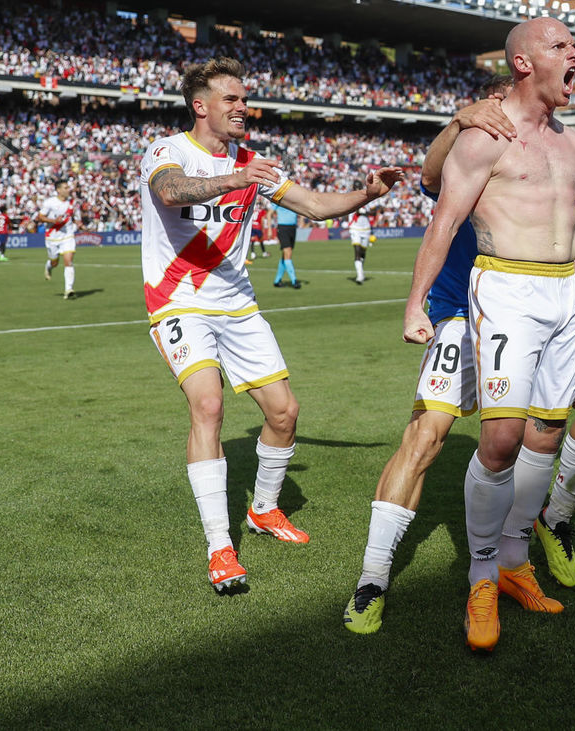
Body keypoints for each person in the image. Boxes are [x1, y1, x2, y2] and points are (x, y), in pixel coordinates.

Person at [344, 78, 575, 636]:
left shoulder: (554, 148)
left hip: (542, 311)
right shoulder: (475, 143)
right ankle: (373, 576)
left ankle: (533, 539)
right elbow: (428, 180)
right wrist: (459, 120)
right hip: (459, 313)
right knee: (426, 437)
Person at [139, 56, 402, 592]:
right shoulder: (167, 150)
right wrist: (237, 178)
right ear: (201, 106)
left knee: (284, 413)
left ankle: (263, 509)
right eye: (231, 99)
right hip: (179, 302)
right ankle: (219, 548)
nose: (242, 107)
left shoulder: (255, 161)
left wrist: (367, 194)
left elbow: (315, 206)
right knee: (208, 404)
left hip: (238, 305)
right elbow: (170, 191)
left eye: (243, 98)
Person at [401, 18, 575, 652]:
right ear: (522, 62)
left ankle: (512, 562)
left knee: (547, 434)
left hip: (562, 294)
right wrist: (416, 302)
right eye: (561, 45)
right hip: (502, 288)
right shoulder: (484, 136)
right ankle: (481, 576)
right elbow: (442, 216)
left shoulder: (569, 142)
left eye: (573, 44)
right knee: (502, 437)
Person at [37, 181, 78, 299]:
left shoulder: (71, 202)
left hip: (68, 236)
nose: (68, 189)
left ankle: (68, 289)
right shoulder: (50, 203)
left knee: (68, 261)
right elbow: (40, 217)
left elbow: (71, 216)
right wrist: (53, 221)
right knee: (55, 262)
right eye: (65, 188)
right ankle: (49, 266)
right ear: (58, 190)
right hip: (52, 237)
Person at [345, 183, 372, 284]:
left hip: (366, 229)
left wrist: (365, 212)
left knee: (363, 253)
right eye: (355, 187)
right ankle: (359, 276)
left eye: (358, 187)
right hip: (355, 228)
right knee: (357, 250)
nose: (357, 189)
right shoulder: (350, 197)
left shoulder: (367, 197)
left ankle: (361, 272)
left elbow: (372, 211)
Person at [272, 200, 300, 288]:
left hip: (292, 228)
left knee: (286, 255)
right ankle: (294, 280)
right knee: (288, 253)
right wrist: (269, 229)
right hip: (283, 227)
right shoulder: (278, 198)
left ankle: (277, 280)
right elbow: (269, 213)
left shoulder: (293, 197)